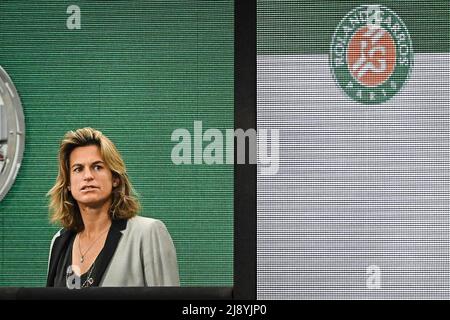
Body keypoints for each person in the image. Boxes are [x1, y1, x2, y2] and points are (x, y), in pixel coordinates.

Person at [46, 127, 179, 288]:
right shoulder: (60, 241)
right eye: (78, 169)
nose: (88, 176)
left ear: (115, 178)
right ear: (68, 183)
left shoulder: (147, 233)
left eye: (97, 167)